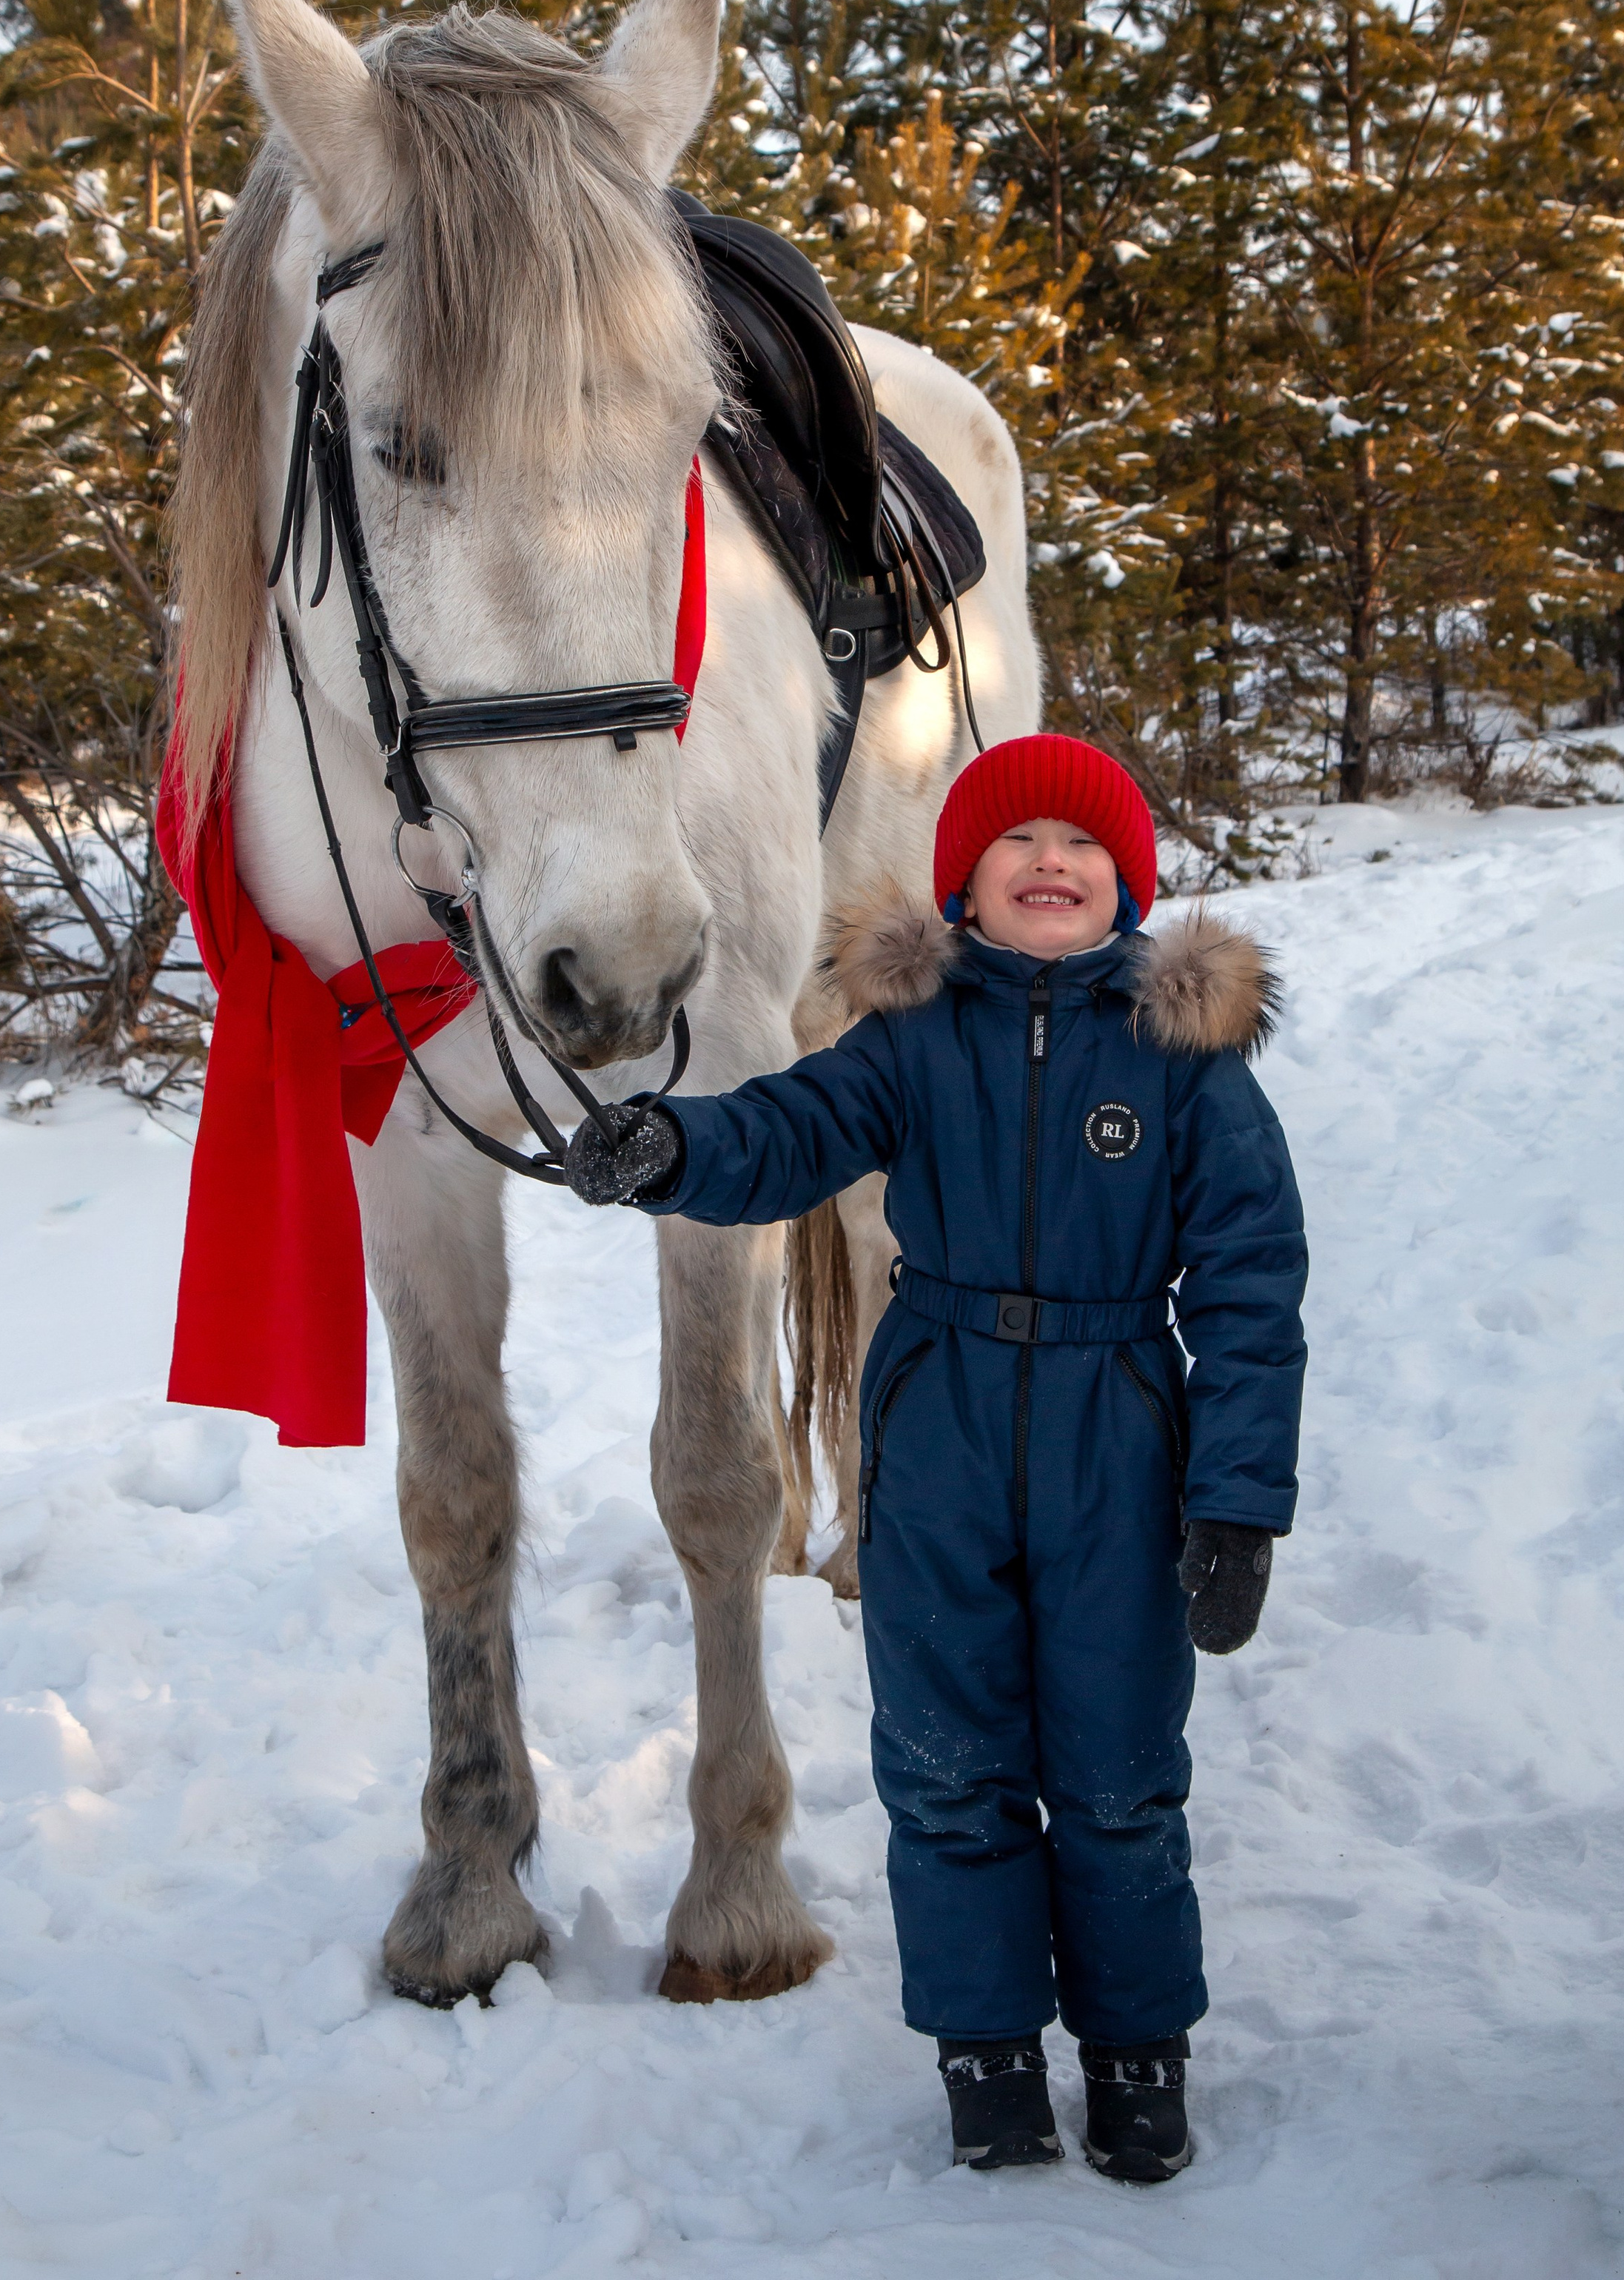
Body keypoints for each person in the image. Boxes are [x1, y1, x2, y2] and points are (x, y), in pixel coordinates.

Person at [563, 734, 1307, 2185]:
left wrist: (1235, 1504)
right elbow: (791, 1127)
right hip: (939, 1428)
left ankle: (1134, 2054)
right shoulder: (907, 1038)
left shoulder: (1185, 1067)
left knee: (1116, 1775)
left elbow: (1249, 1294)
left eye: (1080, 845)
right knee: (947, 1767)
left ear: (1128, 888)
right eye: (1013, 841)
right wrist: (672, 1144)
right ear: (961, 888)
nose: (1048, 861)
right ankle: (985, 2056)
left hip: (1115, 1432)